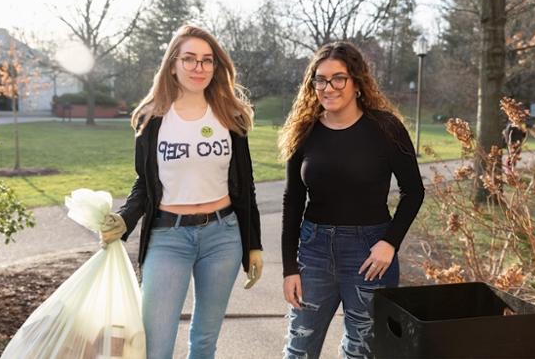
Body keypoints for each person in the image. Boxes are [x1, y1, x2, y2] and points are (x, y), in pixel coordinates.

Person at [99, 25, 263, 359]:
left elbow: (245, 187)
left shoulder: (230, 117)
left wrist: (254, 244)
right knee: (155, 346)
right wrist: (125, 218)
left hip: (223, 237)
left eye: (206, 60)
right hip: (168, 237)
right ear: (172, 64)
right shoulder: (151, 118)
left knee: (204, 342)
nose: (198, 67)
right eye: (189, 59)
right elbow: (144, 183)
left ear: (216, 67)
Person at [279, 41, 425, 359]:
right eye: (320, 79)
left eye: (338, 78)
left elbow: (414, 191)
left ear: (356, 81)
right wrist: (290, 267)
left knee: (361, 351)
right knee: (298, 348)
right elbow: (292, 201)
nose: (328, 87)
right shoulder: (303, 131)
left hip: (369, 254)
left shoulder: (385, 128)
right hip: (314, 252)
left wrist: (390, 243)